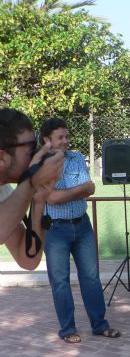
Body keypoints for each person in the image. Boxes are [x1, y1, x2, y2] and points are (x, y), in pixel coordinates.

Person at [39, 118, 120, 343]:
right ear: (47, 140)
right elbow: (52, 199)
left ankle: (100, 325)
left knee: (91, 278)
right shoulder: (40, 165)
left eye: (67, 136)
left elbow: (90, 189)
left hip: (82, 226)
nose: (66, 140)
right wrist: (79, 190)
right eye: (60, 137)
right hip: (55, 230)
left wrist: (70, 192)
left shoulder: (76, 158)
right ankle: (68, 330)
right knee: (60, 281)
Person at [0, 108, 63, 270]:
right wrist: (31, 182)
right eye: (30, 149)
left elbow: (28, 260)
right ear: (2, 157)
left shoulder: (3, 190)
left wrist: (38, 202)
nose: (36, 154)